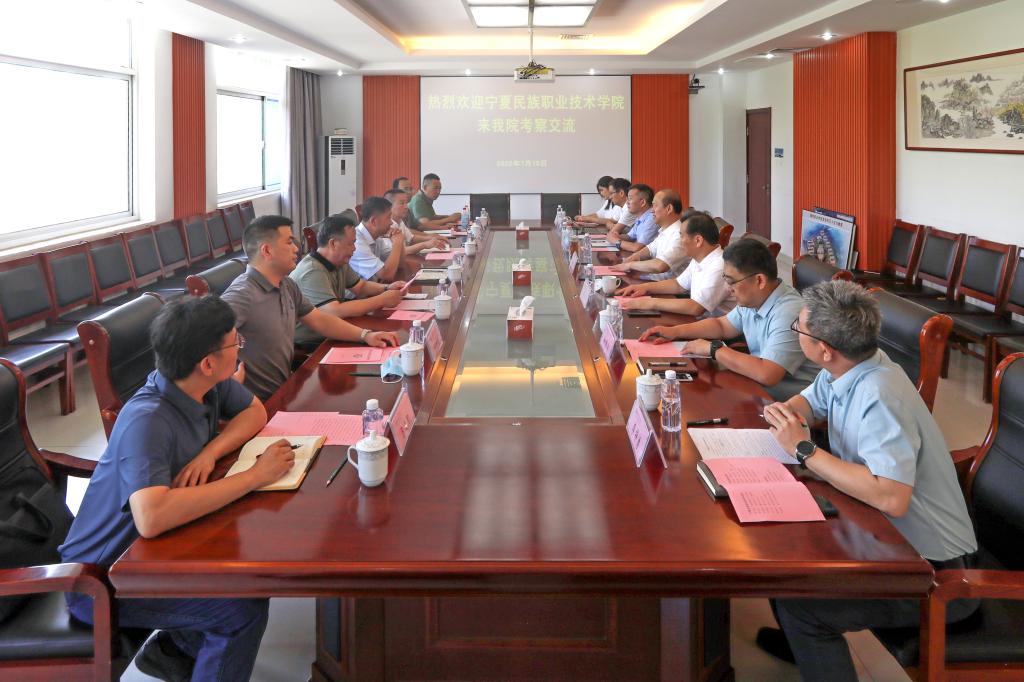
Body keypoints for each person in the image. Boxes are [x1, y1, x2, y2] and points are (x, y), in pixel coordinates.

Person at [59, 296, 294, 681]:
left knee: (248, 570)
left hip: (154, 553)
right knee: (239, 610)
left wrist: (209, 453)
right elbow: (151, 518)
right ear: (207, 363)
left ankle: (176, 649)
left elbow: (255, 412)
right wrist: (253, 477)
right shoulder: (147, 420)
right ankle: (184, 649)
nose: (240, 349)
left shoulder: (204, 385)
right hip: (102, 579)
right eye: (235, 343)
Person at [757, 281, 979, 682]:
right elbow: (810, 400)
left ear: (825, 348)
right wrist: (787, 412)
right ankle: (801, 646)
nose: (796, 332)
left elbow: (891, 498)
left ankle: (805, 635)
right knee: (782, 558)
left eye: (799, 329)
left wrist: (804, 449)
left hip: (933, 570)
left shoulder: (880, 394)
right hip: (884, 535)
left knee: (803, 607)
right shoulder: (853, 365)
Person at [222, 215, 399, 400]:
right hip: (257, 403)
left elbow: (319, 320)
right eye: (289, 242)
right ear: (267, 250)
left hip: (285, 389)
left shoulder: (286, 284)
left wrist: (366, 335)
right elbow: (204, 339)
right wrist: (225, 387)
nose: (296, 248)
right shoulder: (242, 294)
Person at [639, 239, 818, 400]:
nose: (728, 288)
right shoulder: (755, 297)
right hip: (756, 386)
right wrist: (675, 331)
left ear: (759, 280)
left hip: (791, 403)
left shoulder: (789, 312)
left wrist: (714, 349)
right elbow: (722, 325)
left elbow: (767, 373)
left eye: (732, 281)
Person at [290, 214, 407, 345]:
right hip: (312, 341)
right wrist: (382, 300)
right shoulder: (312, 271)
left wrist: (386, 288)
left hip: (336, 329)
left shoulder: (339, 262)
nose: (354, 248)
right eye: (351, 243)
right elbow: (335, 311)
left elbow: (360, 287)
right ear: (333, 243)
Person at [618, 212, 735, 317]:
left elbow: (696, 307)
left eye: (681, 236)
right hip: (701, 320)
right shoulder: (700, 257)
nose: (680, 240)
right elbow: (679, 285)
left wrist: (651, 303)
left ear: (698, 240)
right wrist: (645, 288)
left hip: (716, 329)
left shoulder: (719, 266)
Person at [614, 190, 690, 280]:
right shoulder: (665, 230)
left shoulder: (679, 234)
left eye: (655, 205)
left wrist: (630, 265)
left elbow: (661, 265)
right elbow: (649, 249)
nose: (652, 211)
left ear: (669, 209)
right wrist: (631, 259)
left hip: (668, 287)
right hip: (656, 280)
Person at [349, 196, 406, 282]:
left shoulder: (376, 237)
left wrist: (400, 242)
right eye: (388, 217)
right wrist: (397, 243)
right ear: (374, 221)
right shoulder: (356, 242)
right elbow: (386, 275)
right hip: (359, 291)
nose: (391, 222)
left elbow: (400, 264)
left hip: (374, 287)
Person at [380, 187, 448, 255]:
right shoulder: (386, 226)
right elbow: (394, 252)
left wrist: (431, 238)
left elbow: (411, 238)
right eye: (402, 203)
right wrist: (425, 244)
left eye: (406, 203)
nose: (406, 207)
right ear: (389, 206)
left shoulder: (399, 221)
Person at [607, 183, 658, 253]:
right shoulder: (640, 216)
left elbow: (638, 248)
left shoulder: (652, 218)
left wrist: (616, 241)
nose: (627, 202)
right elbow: (630, 236)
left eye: (630, 199)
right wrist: (616, 236)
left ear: (642, 202)